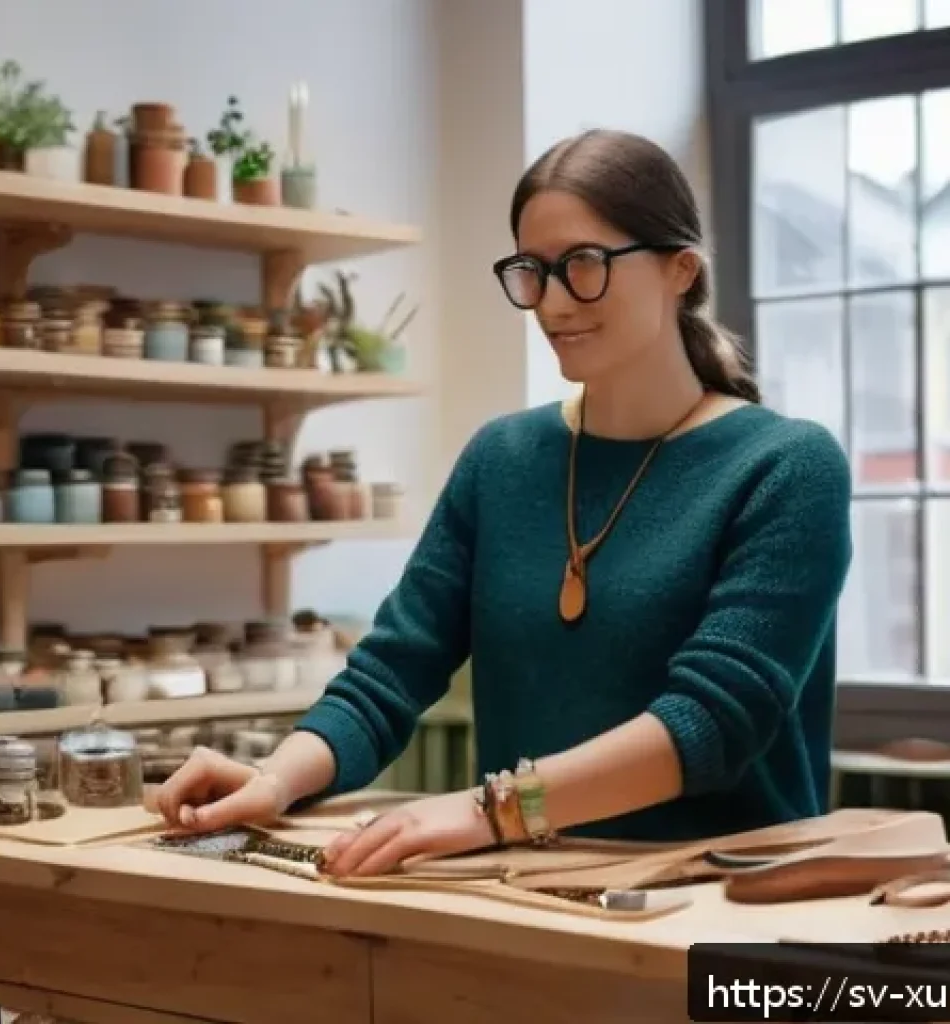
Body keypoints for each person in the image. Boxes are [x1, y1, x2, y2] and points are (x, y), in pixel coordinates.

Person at [157, 129, 853, 877]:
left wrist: (488, 810)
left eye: (584, 265)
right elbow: (390, 673)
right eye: (533, 271)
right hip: (526, 893)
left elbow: (711, 725)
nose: (551, 302)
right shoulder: (502, 458)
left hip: (715, 907)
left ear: (679, 270)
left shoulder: (787, 467)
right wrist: (274, 779)